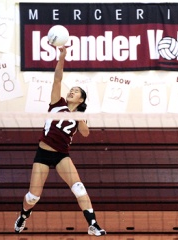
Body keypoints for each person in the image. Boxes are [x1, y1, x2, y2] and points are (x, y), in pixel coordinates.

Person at [14, 46, 106, 237]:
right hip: (43, 153)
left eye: (76, 91)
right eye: (71, 90)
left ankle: (93, 224)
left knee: (79, 188)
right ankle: (23, 216)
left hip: (62, 156)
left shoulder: (81, 116)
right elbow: (58, 79)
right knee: (33, 197)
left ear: (81, 99)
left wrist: (80, 117)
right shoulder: (58, 103)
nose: (72, 92)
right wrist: (62, 57)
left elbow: (86, 133)